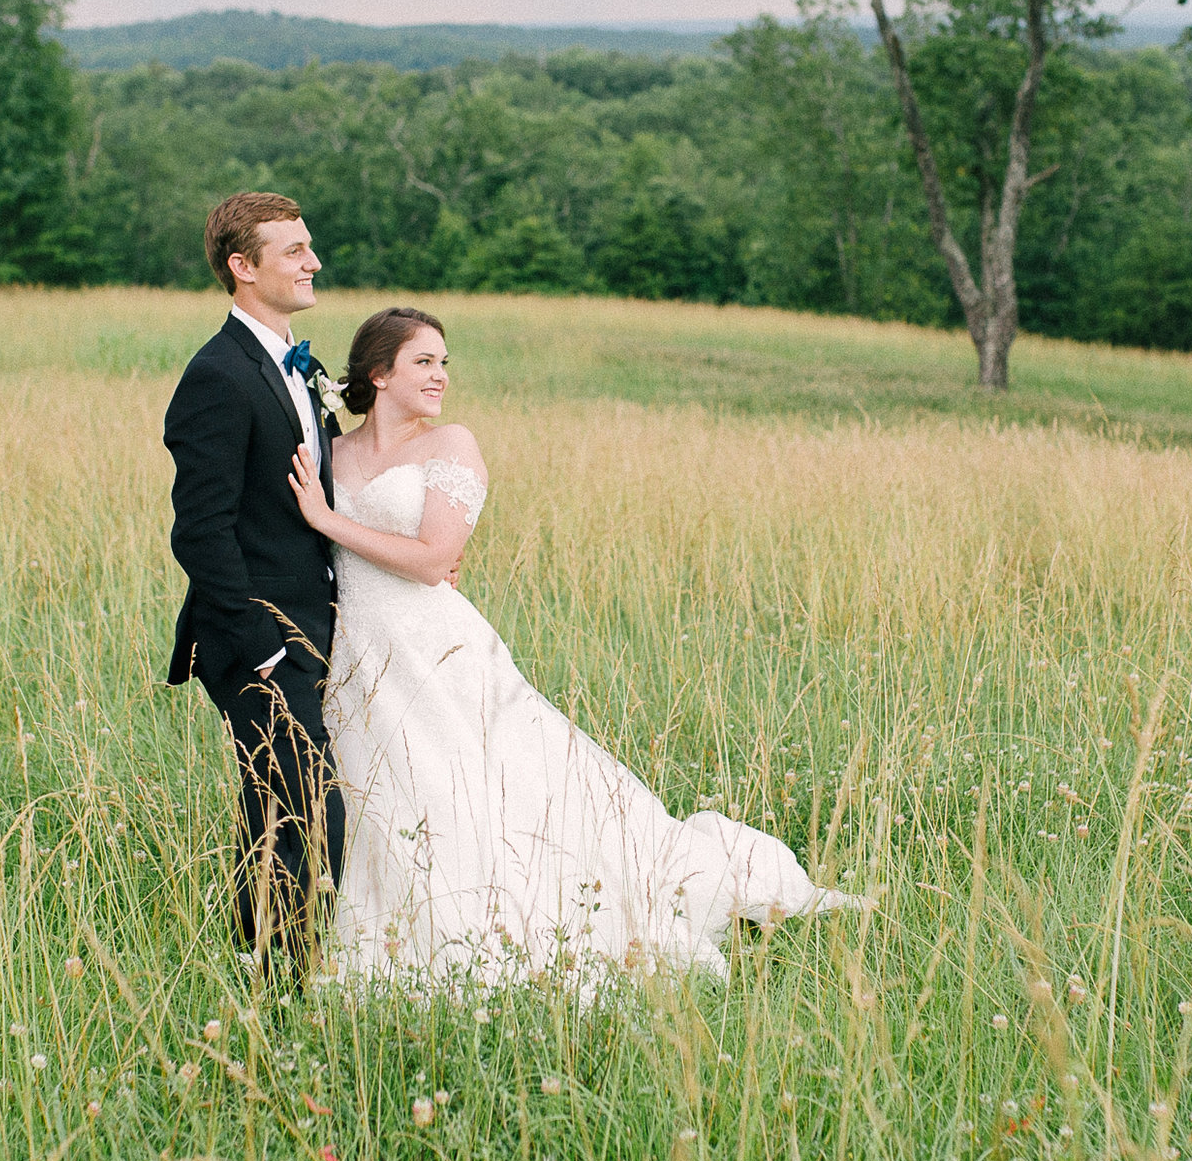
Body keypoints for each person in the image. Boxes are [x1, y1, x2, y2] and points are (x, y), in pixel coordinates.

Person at [285, 306, 858, 988]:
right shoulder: (335, 451)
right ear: (378, 373)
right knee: (388, 793)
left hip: (436, 646)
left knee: (482, 788)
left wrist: (327, 519)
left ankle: (506, 919)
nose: (441, 375)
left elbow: (437, 557)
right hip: (359, 654)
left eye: (444, 362)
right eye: (424, 362)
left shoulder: (453, 444)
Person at [163, 192, 350, 964]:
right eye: (293, 250)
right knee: (316, 807)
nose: (312, 261)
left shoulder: (295, 362)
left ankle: (262, 962)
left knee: (272, 804)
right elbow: (199, 529)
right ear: (242, 268)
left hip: (319, 624)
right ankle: (283, 978)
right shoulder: (218, 375)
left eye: (309, 244)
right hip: (256, 638)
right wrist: (261, 646)